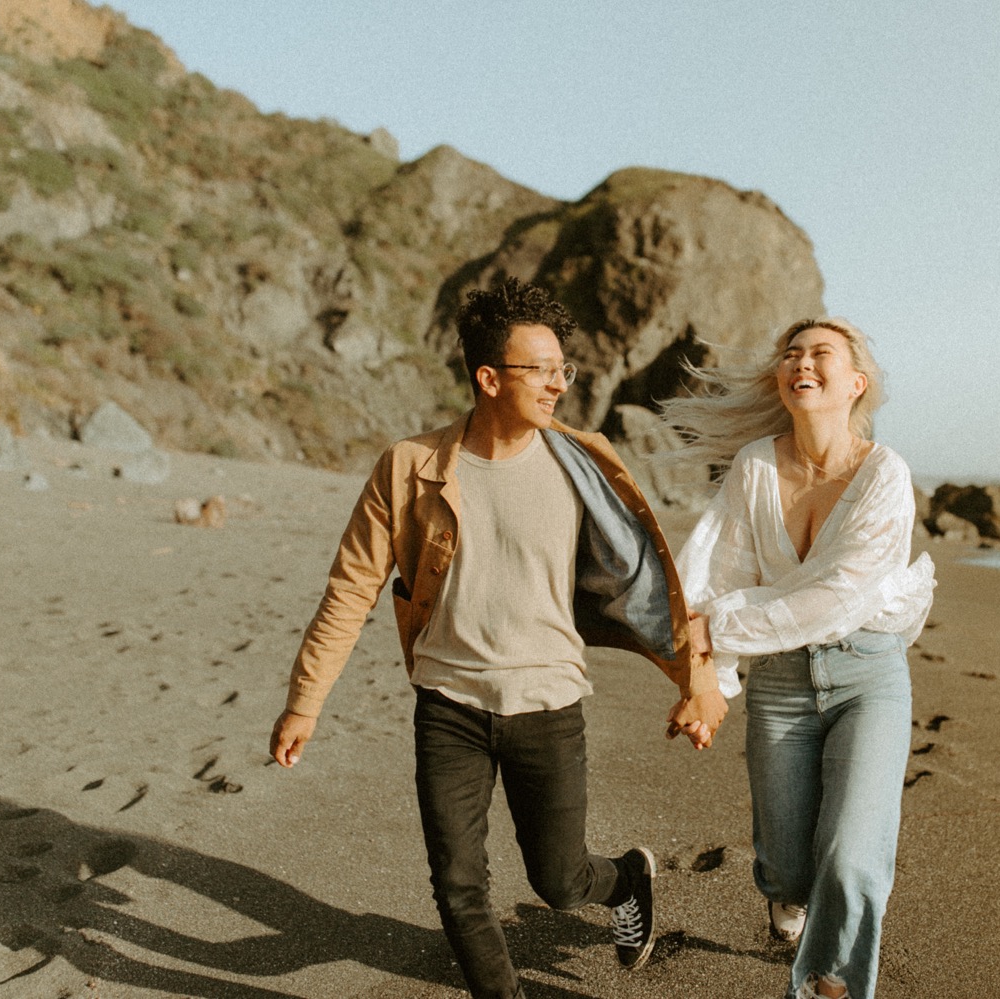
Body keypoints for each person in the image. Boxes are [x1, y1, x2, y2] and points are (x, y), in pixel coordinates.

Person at [269, 276, 728, 999]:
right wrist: (305, 700)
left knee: (560, 879)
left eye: (562, 369)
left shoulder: (585, 464)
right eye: (540, 370)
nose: (558, 384)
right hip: (448, 704)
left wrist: (696, 681)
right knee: (457, 884)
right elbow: (351, 586)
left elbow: (652, 582)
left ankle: (627, 878)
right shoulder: (409, 466)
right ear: (489, 378)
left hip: (548, 703)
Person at [662, 318, 935, 999]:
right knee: (787, 867)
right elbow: (708, 577)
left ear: (855, 383)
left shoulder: (885, 473)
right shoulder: (754, 465)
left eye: (820, 354)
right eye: (790, 353)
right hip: (779, 684)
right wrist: (711, 682)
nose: (800, 362)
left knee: (849, 861)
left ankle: (825, 985)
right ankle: (787, 899)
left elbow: (839, 598)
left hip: (867, 674)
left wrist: (717, 627)